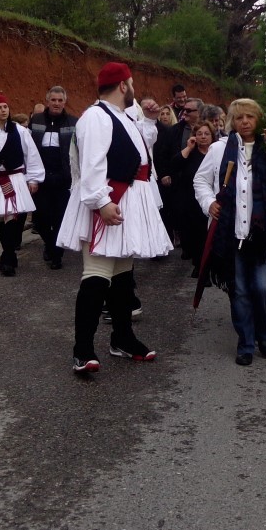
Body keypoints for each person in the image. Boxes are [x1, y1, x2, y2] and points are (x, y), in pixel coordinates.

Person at [58, 62, 170, 374]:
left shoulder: (122, 116)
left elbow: (140, 152)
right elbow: (91, 163)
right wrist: (102, 202)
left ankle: (122, 338)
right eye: (131, 83)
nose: (134, 89)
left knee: (122, 275)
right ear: (123, 85)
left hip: (126, 202)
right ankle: (82, 350)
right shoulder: (96, 117)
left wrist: (149, 119)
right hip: (110, 200)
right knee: (96, 275)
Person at [194, 98, 266, 365]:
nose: (245, 122)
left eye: (250, 116)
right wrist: (209, 203)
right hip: (232, 232)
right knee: (239, 290)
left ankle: (263, 332)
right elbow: (200, 180)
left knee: (263, 288)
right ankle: (246, 342)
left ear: (259, 120)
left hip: (262, 234)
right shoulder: (219, 149)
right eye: (239, 117)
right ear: (232, 121)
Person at [0, 93, 45, 275]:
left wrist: (33, 178)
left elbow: (31, 154)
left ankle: (8, 258)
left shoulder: (20, 131)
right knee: (0, 220)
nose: (3, 110)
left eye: (5, 107)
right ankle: (8, 256)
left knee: (12, 219)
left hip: (15, 179)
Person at [28, 86, 76, 270]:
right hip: (41, 178)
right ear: (47, 101)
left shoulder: (73, 122)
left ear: (65, 102)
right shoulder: (36, 120)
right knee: (40, 219)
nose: (56, 103)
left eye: (60, 100)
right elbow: (28, 148)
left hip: (64, 178)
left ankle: (57, 255)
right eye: (53, 100)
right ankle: (50, 244)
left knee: (59, 219)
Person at [175, 120, 216, 275]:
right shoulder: (191, 154)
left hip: (212, 200)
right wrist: (188, 147)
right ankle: (199, 265)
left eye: (206, 134)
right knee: (195, 235)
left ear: (212, 136)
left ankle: (209, 267)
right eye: (199, 134)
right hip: (191, 202)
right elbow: (174, 164)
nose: (203, 137)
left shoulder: (216, 153)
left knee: (209, 235)